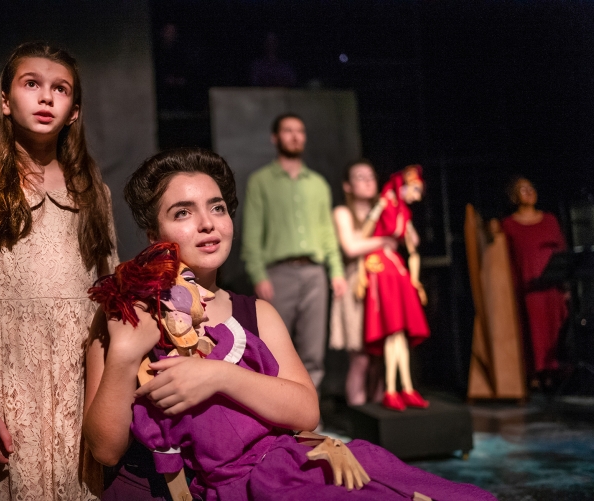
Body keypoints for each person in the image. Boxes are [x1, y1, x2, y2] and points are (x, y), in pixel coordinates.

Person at [83, 148, 496, 501]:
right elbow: (104, 450)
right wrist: (124, 355)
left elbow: (305, 411)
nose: (207, 223)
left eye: (217, 207)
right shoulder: (127, 310)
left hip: (280, 476)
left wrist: (218, 376)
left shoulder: (256, 313)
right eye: (183, 213)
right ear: (153, 233)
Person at [0, 42, 117, 500]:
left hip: (79, 380)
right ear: (5, 100)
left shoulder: (93, 194)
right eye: (31, 84)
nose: (45, 97)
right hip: (7, 382)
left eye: (60, 89)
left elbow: (111, 293)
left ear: (74, 111)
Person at [242, 113, 346, 390]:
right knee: (273, 350)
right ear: (275, 138)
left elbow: (327, 232)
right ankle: (278, 412)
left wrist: (336, 271)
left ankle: (310, 411)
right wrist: (258, 275)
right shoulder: (261, 181)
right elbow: (251, 234)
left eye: (300, 131)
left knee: (313, 352)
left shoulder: (318, 183)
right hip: (278, 274)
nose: (295, 136)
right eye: (288, 130)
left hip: (314, 274)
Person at [359, 166, 430, 412]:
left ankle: (406, 388)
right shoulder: (386, 204)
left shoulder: (403, 211)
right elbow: (363, 236)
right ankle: (392, 389)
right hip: (381, 265)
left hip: (396, 267)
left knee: (399, 334)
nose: (417, 196)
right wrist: (378, 207)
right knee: (393, 332)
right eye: (415, 189)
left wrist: (416, 280)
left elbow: (413, 249)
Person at [330, 159, 393, 406]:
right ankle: (358, 415)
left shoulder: (385, 211)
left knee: (380, 358)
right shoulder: (343, 213)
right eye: (360, 177)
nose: (368, 182)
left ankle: (379, 415)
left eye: (371, 177)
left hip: (383, 286)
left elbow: (410, 238)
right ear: (347, 185)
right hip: (357, 287)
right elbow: (351, 247)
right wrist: (383, 241)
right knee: (361, 359)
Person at [501, 176, 568, 389]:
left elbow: (562, 251)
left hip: (551, 286)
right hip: (527, 287)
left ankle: (552, 373)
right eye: (523, 189)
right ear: (514, 196)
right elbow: (506, 259)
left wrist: (565, 286)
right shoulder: (509, 225)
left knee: (555, 328)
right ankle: (534, 374)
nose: (529, 191)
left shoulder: (550, 220)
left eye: (531, 187)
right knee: (531, 330)